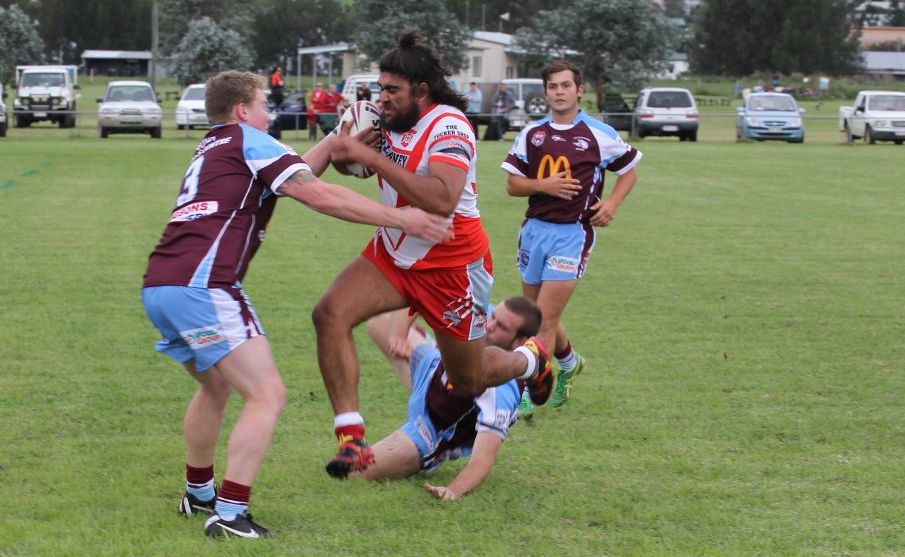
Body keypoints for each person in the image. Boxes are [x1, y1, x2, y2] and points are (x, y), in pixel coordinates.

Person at [141, 70, 452, 539]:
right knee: (267, 395)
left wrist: (337, 137)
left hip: (161, 286)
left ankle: (199, 493)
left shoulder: (217, 144)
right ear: (243, 110)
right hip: (206, 287)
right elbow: (316, 193)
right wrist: (399, 216)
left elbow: (296, 171)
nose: (272, 114)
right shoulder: (250, 138)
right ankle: (229, 514)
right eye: (264, 105)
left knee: (215, 388)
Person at [317, 30, 553, 479]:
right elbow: (369, 170)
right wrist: (354, 149)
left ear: (421, 91)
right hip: (395, 249)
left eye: (393, 91)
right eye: (380, 89)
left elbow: (442, 198)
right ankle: (351, 439)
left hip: (453, 265)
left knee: (469, 379)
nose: (382, 100)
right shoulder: (390, 120)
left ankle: (530, 360)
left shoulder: (450, 126)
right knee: (329, 313)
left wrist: (376, 157)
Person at [500, 60, 641, 416]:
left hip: (572, 235)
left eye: (566, 86)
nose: (559, 92)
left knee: (544, 320)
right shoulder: (531, 134)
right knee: (533, 315)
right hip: (534, 231)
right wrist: (542, 186)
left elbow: (628, 172)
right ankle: (569, 362)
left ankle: (529, 392)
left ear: (579, 90)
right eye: (553, 86)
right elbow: (512, 185)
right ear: (545, 92)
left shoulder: (598, 133)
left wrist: (612, 203)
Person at [356, 297, 542, 499]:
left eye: (501, 327)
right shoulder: (483, 313)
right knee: (380, 321)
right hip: (431, 367)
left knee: (354, 470)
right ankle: (424, 369)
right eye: (493, 316)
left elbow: (482, 461)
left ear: (520, 342)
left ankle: (427, 453)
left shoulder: (502, 392)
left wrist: (453, 490)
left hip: (429, 431)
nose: (489, 326)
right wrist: (399, 335)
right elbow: (421, 297)